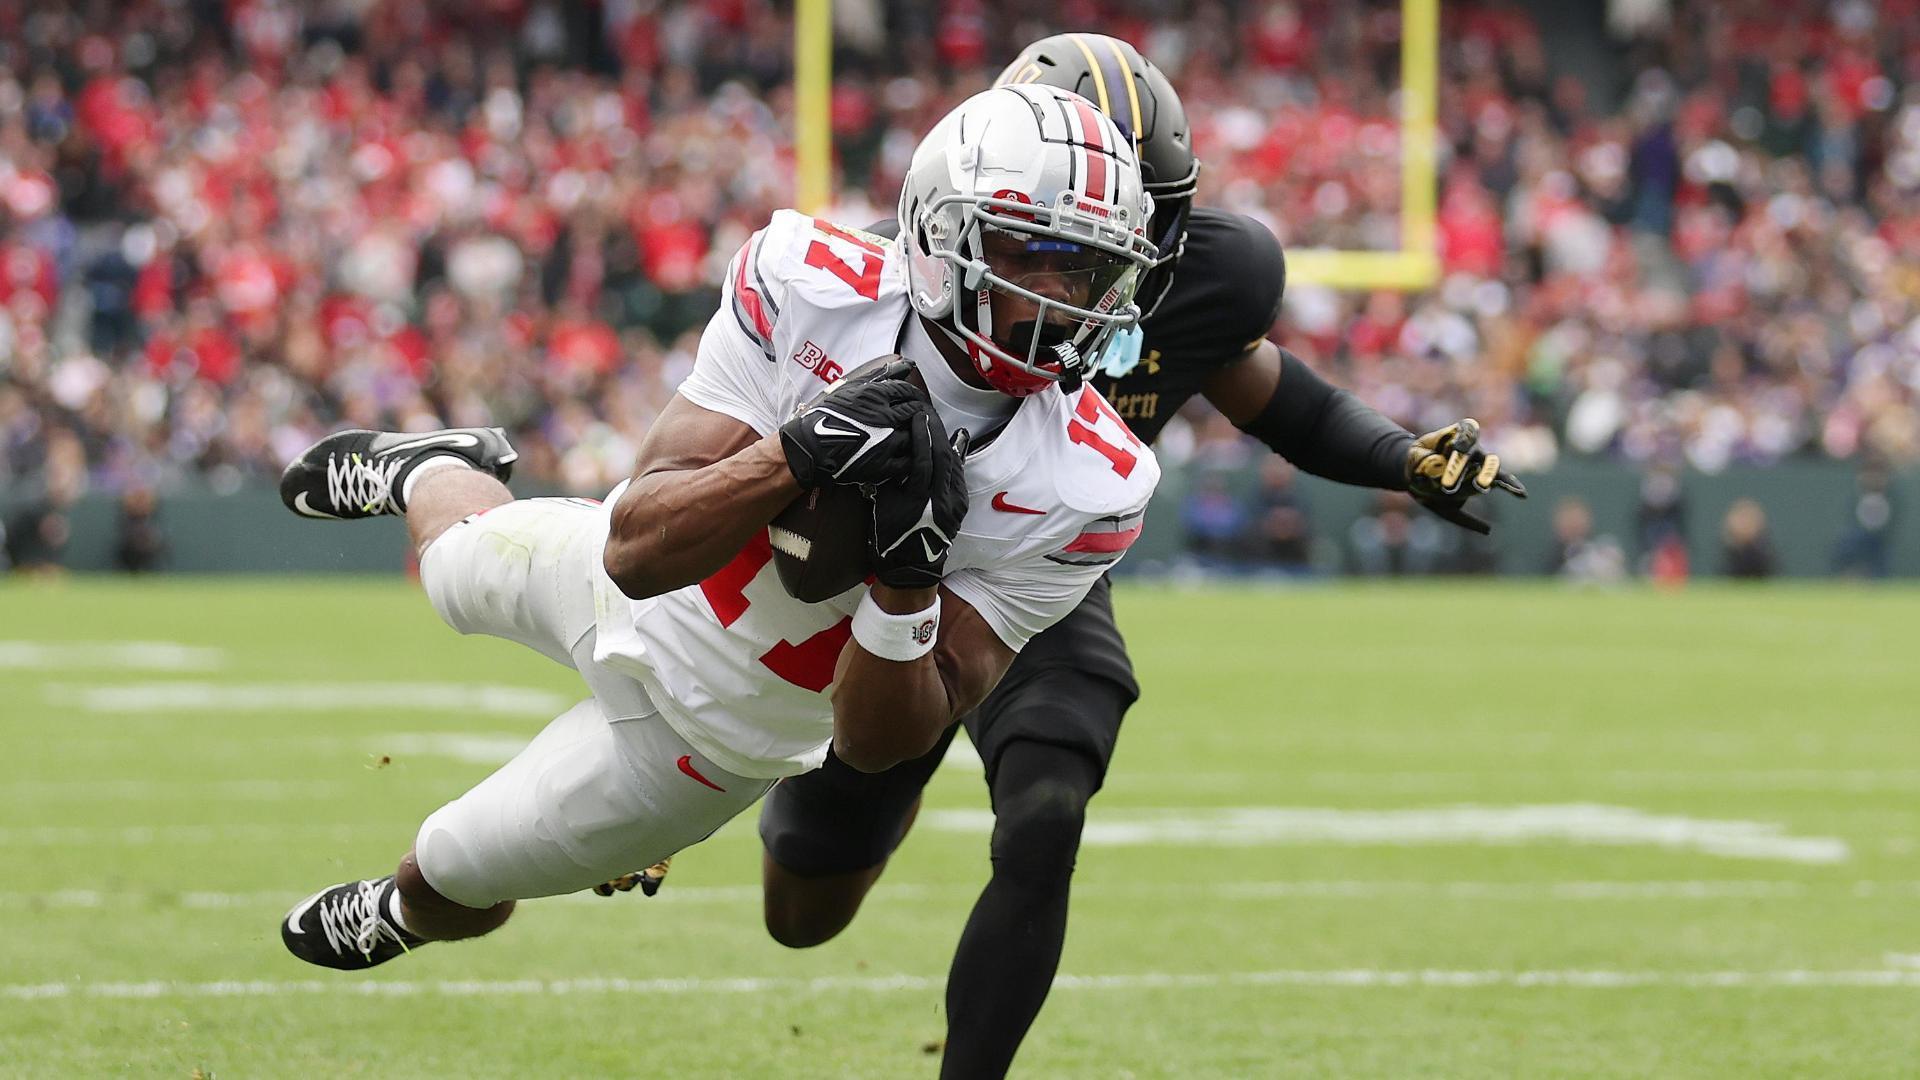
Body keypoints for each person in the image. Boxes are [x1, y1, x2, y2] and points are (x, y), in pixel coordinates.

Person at [726, 35, 1527, 1080]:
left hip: (1041, 571)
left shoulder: (1206, 279)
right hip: (881, 570)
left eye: (1126, 219)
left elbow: (1269, 392)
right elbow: (753, 469)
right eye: (1044, 236)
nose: (1091, 248)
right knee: (805, 909)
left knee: (1049, 807)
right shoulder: (888, 279)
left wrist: (1398, 459)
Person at [270, 82, 1163, 972]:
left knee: (455, 869)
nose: (1057, 297)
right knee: (452, 569)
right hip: (616, 578)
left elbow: (880, 743)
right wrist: (799, 453)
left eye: (1083, 268)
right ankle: (428, 466)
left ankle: (398, 911)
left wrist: (908, 577)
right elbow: (636, 551)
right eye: (1030, 253)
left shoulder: (1092, 483)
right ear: (939, 234)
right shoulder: (810, 284)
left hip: (712, 740)